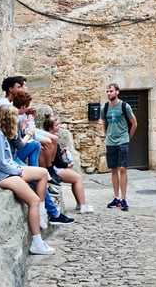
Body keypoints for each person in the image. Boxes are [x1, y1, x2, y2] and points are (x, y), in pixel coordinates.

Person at [0, 76, 73, 226]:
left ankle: (43, 171)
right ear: (11, 89)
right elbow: (15, 145)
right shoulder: (7, 112)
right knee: (38, 177)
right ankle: (51, 211)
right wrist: (28, 132)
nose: (24, 88)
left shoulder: (12, 113)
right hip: (11, 157)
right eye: (21, 86)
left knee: (36, 147)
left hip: (13, 152)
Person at [0, 105, 55, 255]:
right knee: (33, 200)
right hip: (1, 175)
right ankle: (37, 242)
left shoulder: (5, 134)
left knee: (42, 173)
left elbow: (11, 154)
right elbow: (0, 162)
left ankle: (42, 212)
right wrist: (17, 171)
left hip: (8, 171)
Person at [42, 114, 94, 214]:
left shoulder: (46, 138)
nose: (58, 127)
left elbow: (53, 156)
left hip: (54, 167)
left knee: (75, 179)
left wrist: (60, 153)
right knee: (78, 178)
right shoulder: (52, 140)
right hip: (55, 169)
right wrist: (67, 165)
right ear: (50, 127)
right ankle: (82, 205)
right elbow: (57, 161)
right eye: (56, 125)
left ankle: (80, 203)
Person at [101, 83, 137, 211]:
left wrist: (128, 137)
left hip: (122, 140)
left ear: (117, 92)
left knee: (122, 168)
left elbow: (134, 123)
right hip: (111, 141)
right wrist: (107, 136)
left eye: (111, 91)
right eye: (107, 91)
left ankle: (123, 199)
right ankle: (116, 198)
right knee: (114, 169)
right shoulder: (104, 108)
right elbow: (104, 123)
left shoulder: (124, 106)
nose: (109, 93)